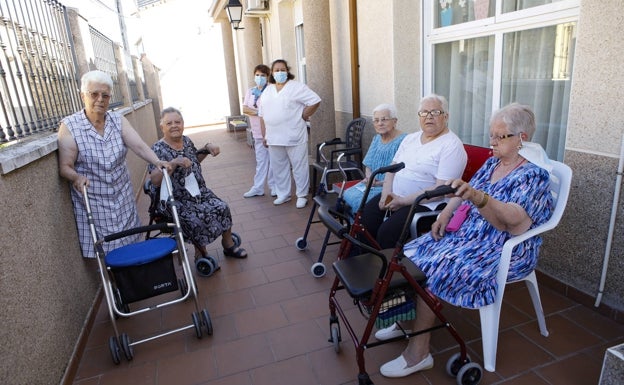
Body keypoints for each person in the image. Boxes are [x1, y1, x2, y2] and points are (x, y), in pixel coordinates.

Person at [376, 103, 554, 378]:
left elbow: (514, 223)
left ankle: (418, 353)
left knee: (436, 266)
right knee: (411, 251)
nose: (491, 142)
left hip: (503, 247)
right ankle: (407, 319)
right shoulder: (494, 162)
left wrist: (480, 198)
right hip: (469, 234)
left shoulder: (534, 175)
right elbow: (464, 189)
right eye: (491, 135)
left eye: (499, 136)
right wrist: (445, 214)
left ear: (522, 139)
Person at [58, 70, 171, 258]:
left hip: (122, 195)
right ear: (82, 95)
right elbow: (65, 166)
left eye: (105, 95)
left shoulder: (117, 120)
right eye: (94, 94)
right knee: (106, 251)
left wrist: (157, 161)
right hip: (94, 200)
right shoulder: (70, 126)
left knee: (130, 244)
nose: (100, 99)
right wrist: (76, 177)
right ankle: (115, 285)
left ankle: (132, 282)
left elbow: (139, 146)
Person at [359, 94, 467, 250]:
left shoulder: (451, 145)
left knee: (387, 232)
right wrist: (386, 195)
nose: (429, 117)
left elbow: (440, 191)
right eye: (424, 112)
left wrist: (401, 201)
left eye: (435, 112)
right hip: (395, 195)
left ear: (446, 116)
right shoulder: (411, 138)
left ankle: (386, 270)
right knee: (364, 220)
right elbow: (391, 169)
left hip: (426, 204)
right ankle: (363, 264)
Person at [148, 107, 248, 259]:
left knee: (222, 207)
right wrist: (174, 163)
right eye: (169, 123)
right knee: (195, 218)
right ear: (162, 127)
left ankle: (228, 245)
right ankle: (200, 254)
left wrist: (207, 149)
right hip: (174, 198)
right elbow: (155, 180)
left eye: (178, 122)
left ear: (183, 123)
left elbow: (194, 160)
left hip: (197, 191)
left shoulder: (186, 141)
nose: (174, 125)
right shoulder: (157, 149)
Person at [259, 59, 321, 209]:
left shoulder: (296, 87)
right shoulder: (268, 90)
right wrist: (264, 135)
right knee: (279, 167)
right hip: (274, 136)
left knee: (299, 166)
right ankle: (283, 194)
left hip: (294, 135)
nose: (280, 72)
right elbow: (262, 114)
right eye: (276, 70)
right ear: (272, 73)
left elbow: (315, 100)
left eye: (282, 69)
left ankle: (302, 195)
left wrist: (303, 115)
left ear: (287, 71)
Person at [342, 103, 406, 218]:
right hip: (372, 183)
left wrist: (379, 183)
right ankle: (353, 228)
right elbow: (368, 164)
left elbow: (402, 172)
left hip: (389, 187)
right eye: (376, 120)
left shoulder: (404, 140)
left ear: (395, 121)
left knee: (359, 201)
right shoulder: (376, 139)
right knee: (347, 194)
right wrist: (369, 177)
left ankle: (363, 230)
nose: (380, 123)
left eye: (384, 119)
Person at [242, 64, 276, 198]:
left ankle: (274, 186)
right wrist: (260, 112)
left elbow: (272, 110)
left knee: (274, 161)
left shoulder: (271, 91)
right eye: (257, 75)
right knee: (261, 161)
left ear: (268, 77)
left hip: (271, 131)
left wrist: (256, 112)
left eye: (263, 75)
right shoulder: (250, 91)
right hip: (257, 132)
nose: (259, 77)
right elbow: (245, 109)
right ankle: (258, 188)